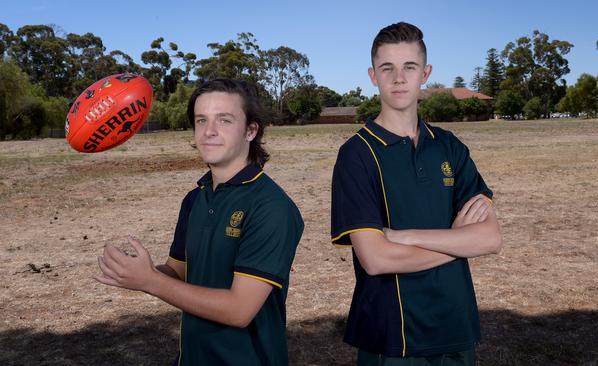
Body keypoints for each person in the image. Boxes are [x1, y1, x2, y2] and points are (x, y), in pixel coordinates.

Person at [95, 78, 304, 366]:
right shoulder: (195, 198)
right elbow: (177, 274)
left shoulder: (271, 207)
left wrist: (150, 281)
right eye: (201, 120)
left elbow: (240, 310)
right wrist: (136, 273)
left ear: (251, 131)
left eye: (225, 120)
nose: (209, 132)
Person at [331, 22, 503, 365]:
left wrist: (405, 237)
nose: (398, 78)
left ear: (425, 73)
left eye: (409, 67)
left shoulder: (449, 147)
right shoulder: (357, 154)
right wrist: (456, 242)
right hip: (393, 336)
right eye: (387, 68)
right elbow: (377, 260)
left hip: (456, 327)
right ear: (372, 75)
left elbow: (489, 239)